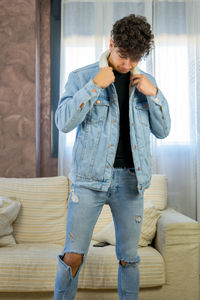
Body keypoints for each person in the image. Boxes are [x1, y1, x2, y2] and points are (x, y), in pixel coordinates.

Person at [54, 13, 170, 300]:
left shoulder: (147, 82)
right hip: (89, 182)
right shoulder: (82, 77)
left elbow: (164, 130)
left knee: (129, 259)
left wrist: (153, 94)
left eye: (134, 58)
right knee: (72, 256)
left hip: (131, 184)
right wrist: (95, 85)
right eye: (122, 55)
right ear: (111, 43)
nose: (126, 64)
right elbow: (63, 122)